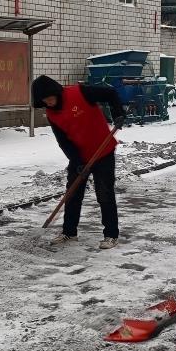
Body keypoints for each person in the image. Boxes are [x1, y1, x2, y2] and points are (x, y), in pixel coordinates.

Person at [31, 75, 126, 249]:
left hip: (103, 152)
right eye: (45, 100)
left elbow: (110, 93)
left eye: (50, 98)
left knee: (104, 194)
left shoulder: (80, 93)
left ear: (56, 92)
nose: (49, 102)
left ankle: (111, 235)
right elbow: (63, 141)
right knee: (73, 194)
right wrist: (76, 161)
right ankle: (69, 232)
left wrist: (118, 113)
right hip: (80, 156)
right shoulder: (52, 114)